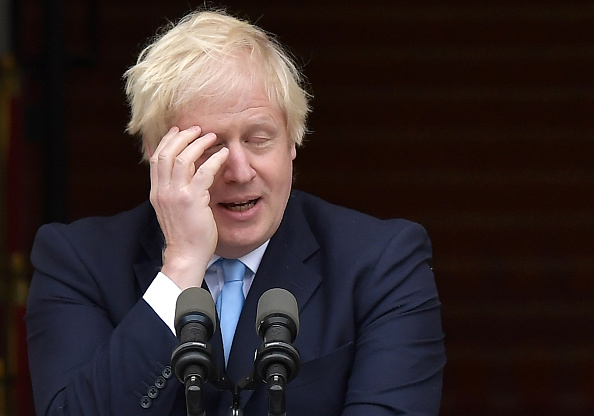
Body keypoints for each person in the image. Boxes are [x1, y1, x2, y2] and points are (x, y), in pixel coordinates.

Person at [25, 8, 446, 416]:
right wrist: (181, 267)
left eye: (260, 139)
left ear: (292, 142)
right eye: (209, 147)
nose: (240, 171)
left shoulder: (383, 262)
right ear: (158, 155)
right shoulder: (76, 261)